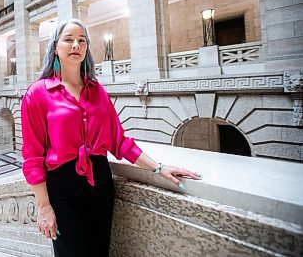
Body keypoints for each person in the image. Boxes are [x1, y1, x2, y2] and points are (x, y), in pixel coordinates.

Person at [21, 19, 201, 257]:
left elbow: (119, 142)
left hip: (101, 183)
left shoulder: (97, 91)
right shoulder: (38, 93)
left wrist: (159, 168)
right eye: (68, 39)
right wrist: (43, 206)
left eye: (81, 40)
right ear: (55, 47)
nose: (76, 45)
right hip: (62, 188)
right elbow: (33, 157)